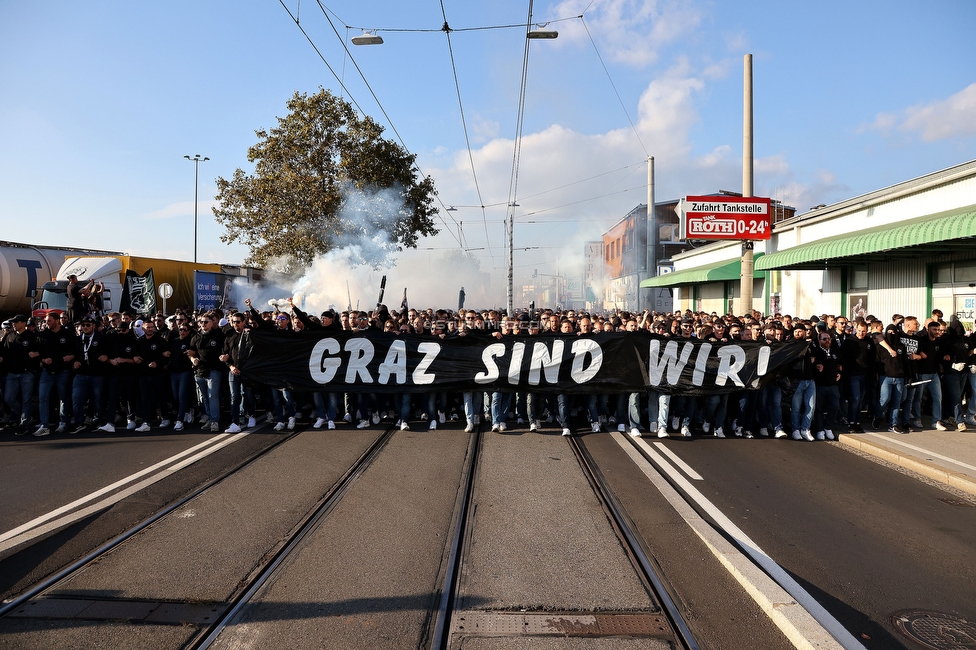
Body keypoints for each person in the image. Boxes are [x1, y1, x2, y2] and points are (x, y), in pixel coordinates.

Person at [34, 311, 76, 436]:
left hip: (63, 370)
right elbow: (38, 352)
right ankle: (44, 425)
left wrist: (71, 357)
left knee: (63, 398)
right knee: (43, 398)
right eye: (46, 321)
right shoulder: (42, 335)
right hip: (47, 371)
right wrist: (43, 359)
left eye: (49, 321)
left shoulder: (67, 334)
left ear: (57, 321)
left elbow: (75, 350)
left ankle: (63, 422)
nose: (47, 323)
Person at [188, 311, 226, 432]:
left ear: (212, 323)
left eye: (206, 322)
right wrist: (193, 359)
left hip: (214, 369)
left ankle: (215, 421)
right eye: (201, 322)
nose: (203, 324)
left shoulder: (219, 335)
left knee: (212, 395)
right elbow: (191, 353)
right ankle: (209, 418)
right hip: (200, 370)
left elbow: (225, 349)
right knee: (204, 397)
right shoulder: (196, 337)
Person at [2, 315, 40, 433]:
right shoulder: (9, 336)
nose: (14, 324)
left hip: (26, 373)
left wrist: (37, 354)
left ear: (24, 323)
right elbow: (4, 353)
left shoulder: (32, 336)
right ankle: (26, 416)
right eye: (13, 322)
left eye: (17, 322)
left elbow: (41, 349)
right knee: (9, 398)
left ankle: (24, 424)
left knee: (26, 399)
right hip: (12, 373)